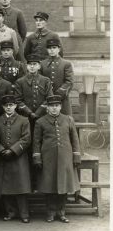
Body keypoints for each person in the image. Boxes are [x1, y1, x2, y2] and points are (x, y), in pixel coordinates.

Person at [33, 95, 81, 223]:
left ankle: (62, 212)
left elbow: (75, 139)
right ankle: (50, 212)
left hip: (65, 158)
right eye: (51, 106)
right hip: (48, 158)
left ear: (60, 107)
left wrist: (76, 156)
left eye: (56, 106)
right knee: (49, 186)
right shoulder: (40, 122)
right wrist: (37, 158)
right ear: (47, 108)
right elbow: (36, 142)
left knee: (63, 185)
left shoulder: (68, 120)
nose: (54, 109)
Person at [0, 94, 32, 223]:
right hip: (4, 157)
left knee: (21, 187)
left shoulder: (24, 120)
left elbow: (26, 139)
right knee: (6, 187)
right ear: (3, 107)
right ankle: (10, 212)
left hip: (19, 157)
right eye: (6, 106)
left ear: (16, 106)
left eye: (11, 105)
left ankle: (24, 214)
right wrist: (1, 150)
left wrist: (13, 150)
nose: (9, 108)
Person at [13, 55, 53, 126]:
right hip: (25, 116)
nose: (32, 66)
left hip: (42, 116)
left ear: (39, 66)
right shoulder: (20, 82)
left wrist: (38, 112)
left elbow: (49, 98)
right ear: (26, 66)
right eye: (30, 64)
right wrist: (29, 113)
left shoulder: (46, 81)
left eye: (34, 64)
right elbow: (18, 100)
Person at [40, 38, 74, 114]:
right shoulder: (42, 64)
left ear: (59, 49)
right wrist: (48, 95)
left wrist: (56, 95)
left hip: (62, 100)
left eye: (54, 48)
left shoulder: (66, 64)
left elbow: (69, 82)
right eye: (49, 48)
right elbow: (40, 81)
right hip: (46, 100)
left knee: (65, 122)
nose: (51, 50)